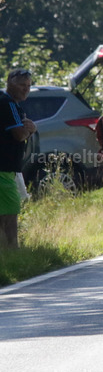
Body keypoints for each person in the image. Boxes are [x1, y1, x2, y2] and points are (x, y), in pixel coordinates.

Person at [0, 68, 36, 251]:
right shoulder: (8, 103)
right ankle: (12, 250)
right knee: (10, 211)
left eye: (28, 85)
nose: (26, 89)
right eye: (22, 85)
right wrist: (31, 129)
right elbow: (19, 134)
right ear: (10, 83)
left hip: (7, 168)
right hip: (5, 169)